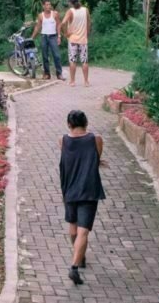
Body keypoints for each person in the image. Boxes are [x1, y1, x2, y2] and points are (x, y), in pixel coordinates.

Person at [59, 110, 106, 286]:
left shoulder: (63, 140)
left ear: (69, 124)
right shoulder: (96, 139)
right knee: (83, 231)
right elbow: (96, 158)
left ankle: (79, 256)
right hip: (88, 189)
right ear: (86, 122)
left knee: (73, 229)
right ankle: (74, 266)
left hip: (69, 189)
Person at [60, 0, 91, 87]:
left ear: (71, 3)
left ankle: (72, 81)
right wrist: (87, 33)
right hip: (83, 39)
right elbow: (89, 22)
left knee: (73, 61)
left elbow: (63, 23)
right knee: (84, 61)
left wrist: (66, 33)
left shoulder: (70, 11)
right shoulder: (86, 10)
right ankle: (86, 81)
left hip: (73, 39)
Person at [31, 0, 63, 80]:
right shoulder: (40, 15)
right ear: (43, 6)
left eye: (50, 4)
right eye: (47, 4)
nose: (49, 6)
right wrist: (32, 37)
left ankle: (59, 74)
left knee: (56, 55)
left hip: (53, 36)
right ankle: (47, 74)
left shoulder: (55, 14)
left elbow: (58, 25)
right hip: (44, 37)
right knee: (45, 56)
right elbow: (38, 27)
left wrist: (59, 36)